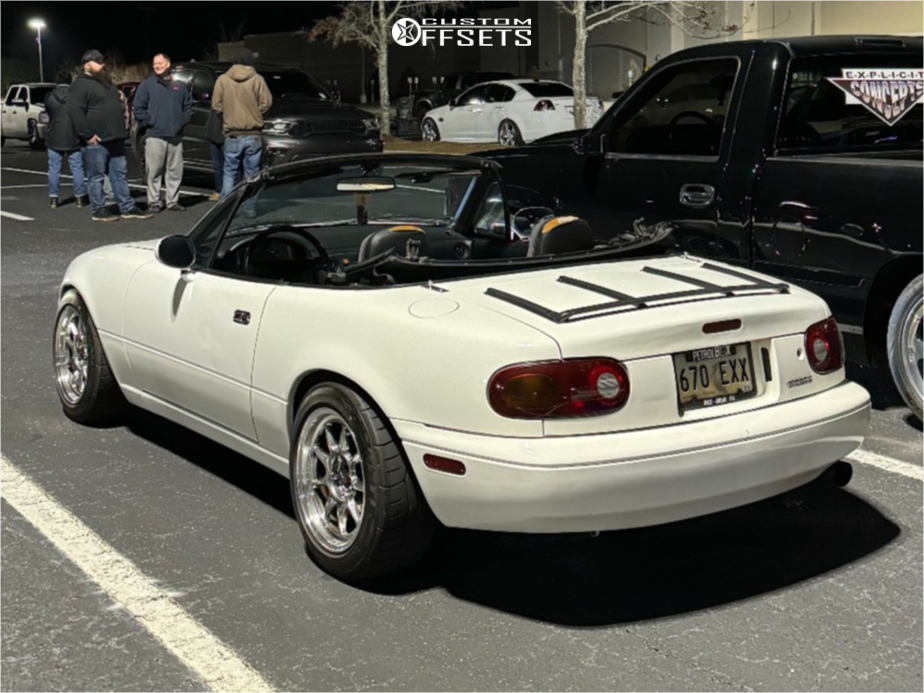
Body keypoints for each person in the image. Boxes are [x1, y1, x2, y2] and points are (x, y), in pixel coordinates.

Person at [68, 49, 151, 221]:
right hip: (97, 141)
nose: (102, 64)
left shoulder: (105, 82)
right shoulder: (79, 85)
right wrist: (88, 135)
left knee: (119, 174)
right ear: (87, 64)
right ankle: (98, 209)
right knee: (96, 176)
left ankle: (127, 207)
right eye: (98, 61)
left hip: (116, 138)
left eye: (102, 61)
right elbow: (74, 111)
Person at [133, 52, 193, 212]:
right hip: (155, 136)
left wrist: (181, 122)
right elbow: (138, 109)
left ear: (168, 64)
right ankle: (154, 201)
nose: (157, 66)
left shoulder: (180, 86)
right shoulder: (147, 85)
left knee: (175, 171)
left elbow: (188, 107)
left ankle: (172, 201)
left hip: (175, 137)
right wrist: (151, 121)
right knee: (154, 171)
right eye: (154, 63)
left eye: (160, 63)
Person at [212, 51, 272, 202]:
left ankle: (225, 208)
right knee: (252, 174)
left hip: (232, 133)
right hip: (253, 133)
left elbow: (216, 105)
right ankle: (249, 208)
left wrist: (228, 114)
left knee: (229, 171)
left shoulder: (223, 80)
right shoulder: (257, 79)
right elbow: (266, 103)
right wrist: (255, 113)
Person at [43, 82, 86, 209]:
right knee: (77, 167)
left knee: (54, 168)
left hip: (55, 136)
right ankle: (80, 197)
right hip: (74, 135)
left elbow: (48, 113)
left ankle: (53, 198)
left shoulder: (50, 97)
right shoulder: (76, 96)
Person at [205, 108, 225, 201]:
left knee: (231, 167)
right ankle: (219, 190)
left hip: (228, 133)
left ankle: (227, 192)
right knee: (218, 166)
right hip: (215, 134)